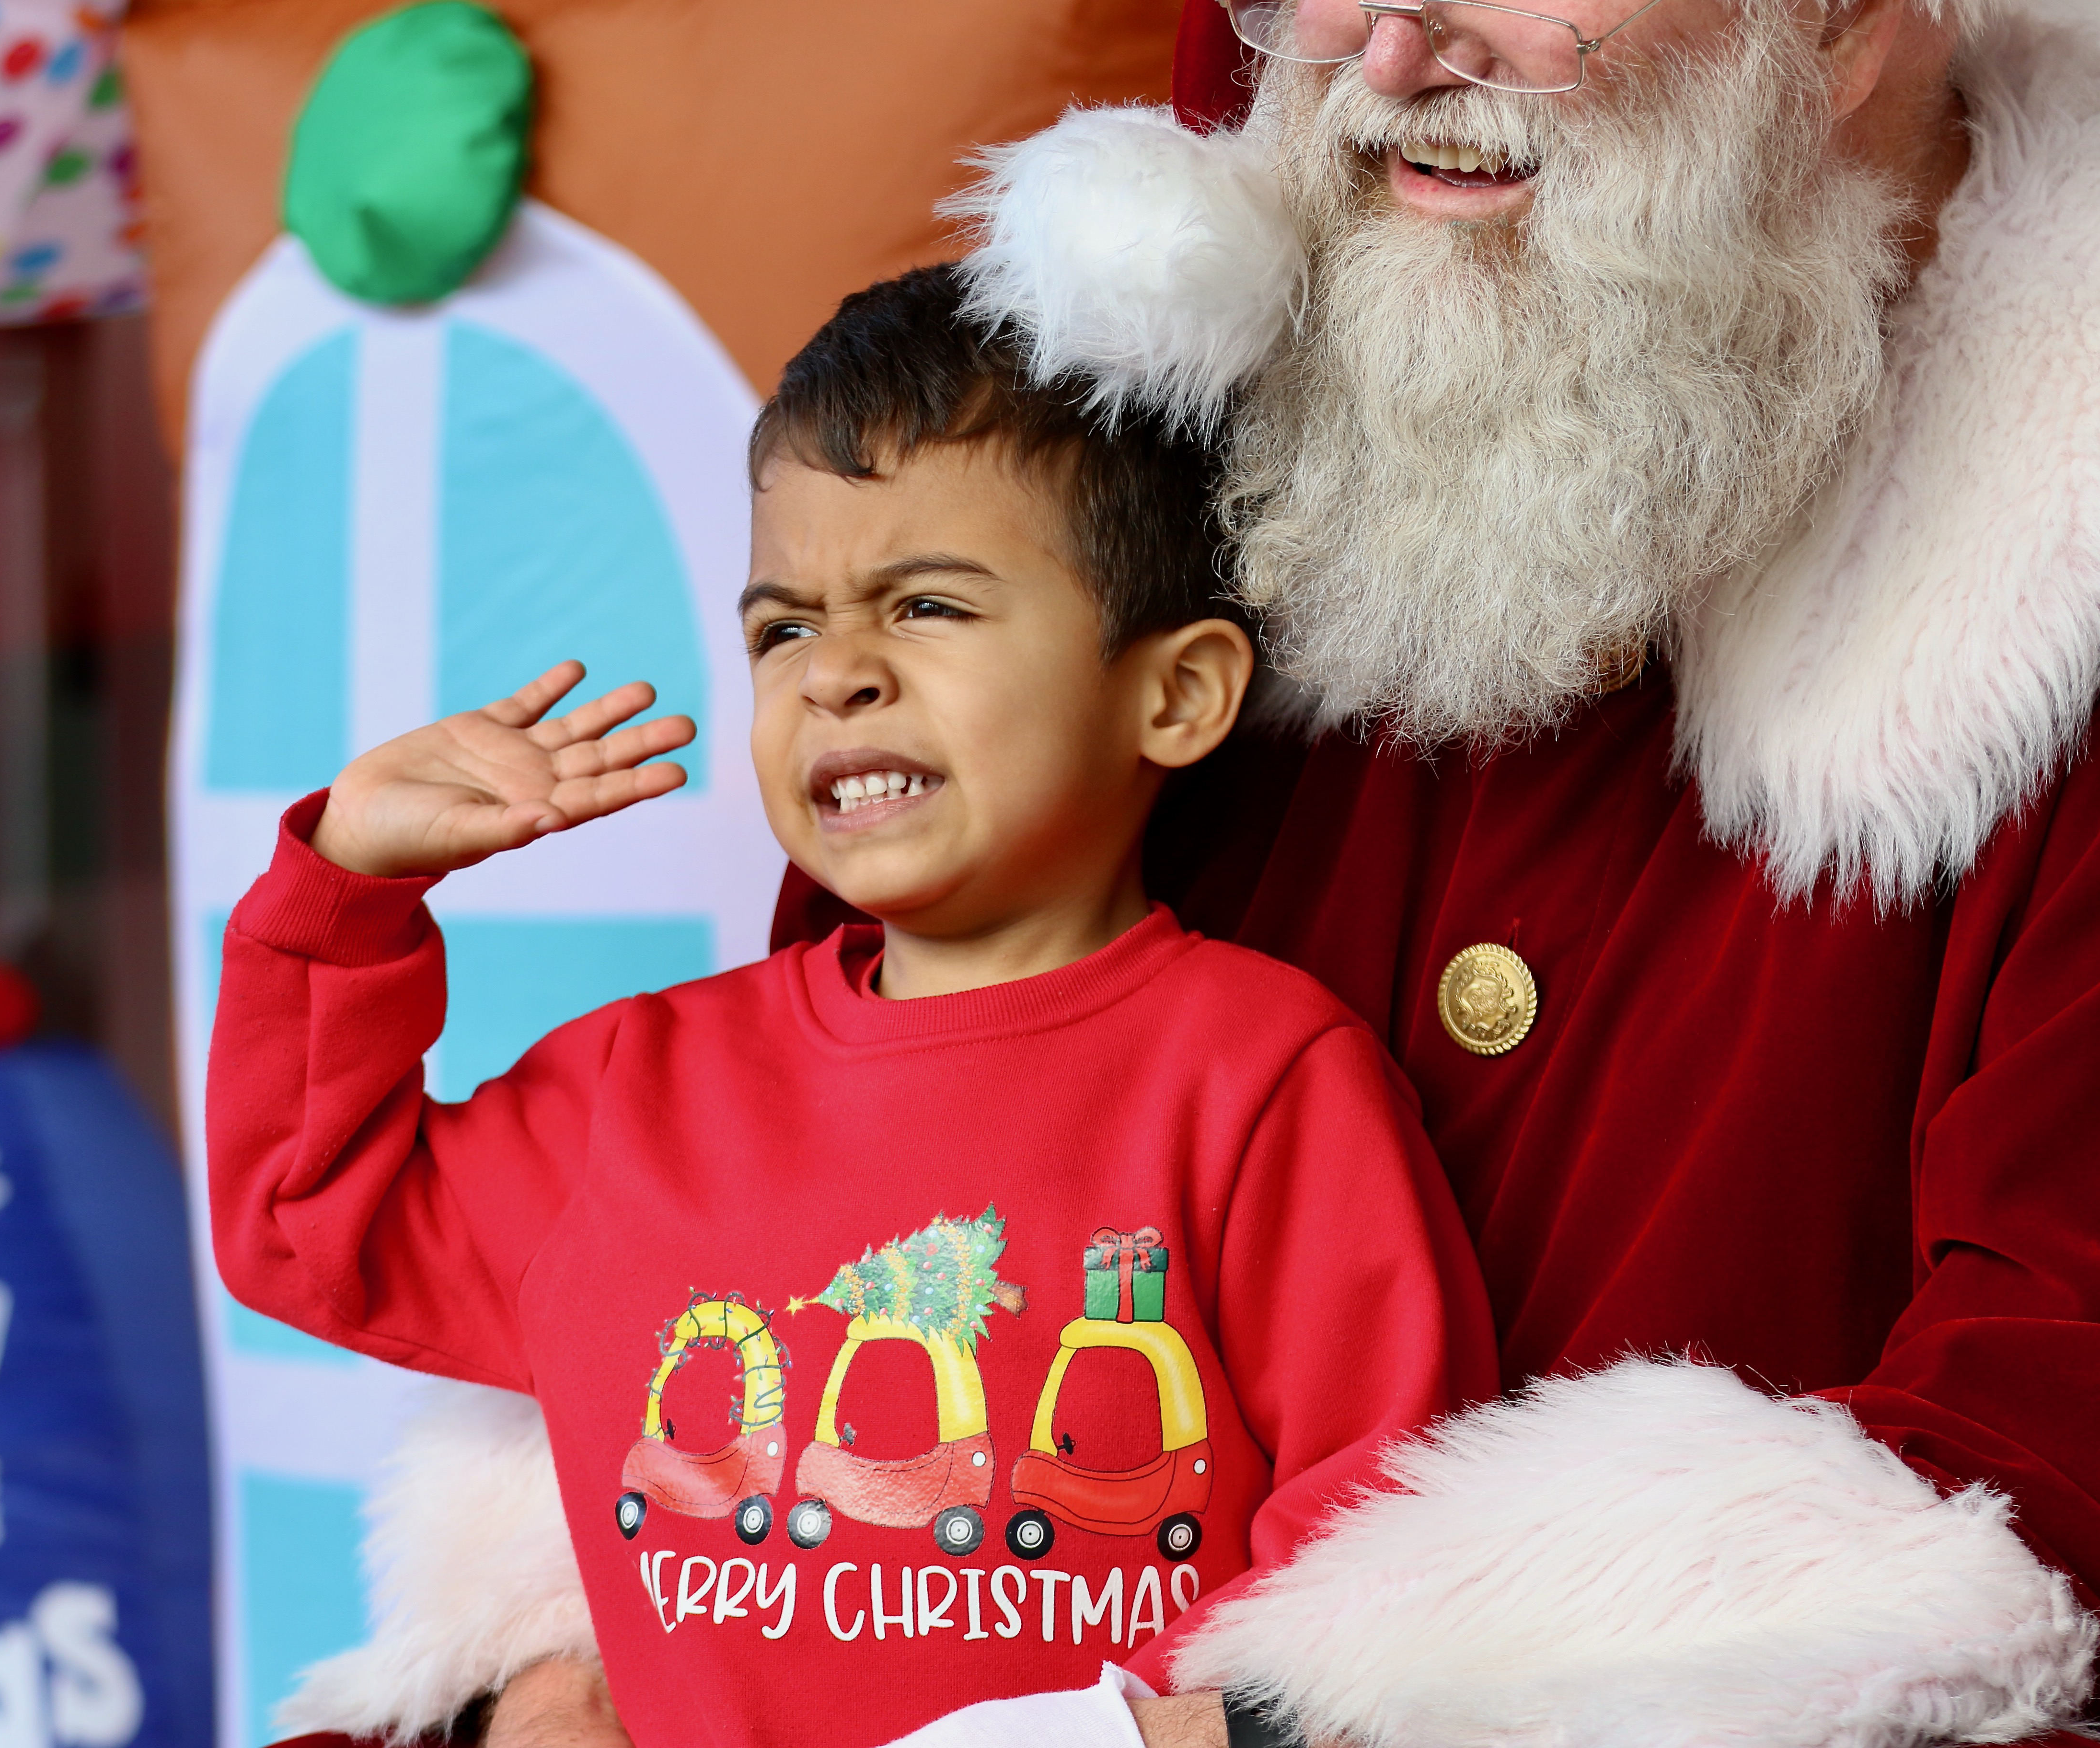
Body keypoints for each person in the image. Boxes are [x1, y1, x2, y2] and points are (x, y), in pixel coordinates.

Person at [308, 0, 2100, 1746]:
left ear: (1852, 13)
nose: (1399, 50)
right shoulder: (1117, 451)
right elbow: (780, 1179)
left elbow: (2047, 1487)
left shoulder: (2085, 613)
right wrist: (570, 1664)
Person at [208, 266, 1497, 1747]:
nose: (838, 678)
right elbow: (308, 1217)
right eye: (781, 629)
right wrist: (349, 887)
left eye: (928, 604)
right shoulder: (641, 1085)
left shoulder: (1268, 1080)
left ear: (1177, 697)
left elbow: (1381, 1567)